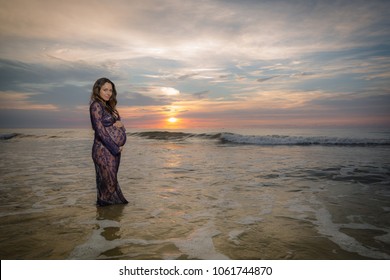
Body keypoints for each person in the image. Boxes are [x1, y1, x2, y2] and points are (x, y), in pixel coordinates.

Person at [90, 77, 128, 206]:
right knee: (109, 185)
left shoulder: (110, 107)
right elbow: (100, 131)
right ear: (98, 90)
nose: (108, 93)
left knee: (111, 183)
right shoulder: (96, 106)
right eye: (105, 90)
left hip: (114, 152)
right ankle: (103, 214)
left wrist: (120, 124)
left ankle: (105, 218)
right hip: (102, 150)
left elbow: (117, 127)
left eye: (110, 90)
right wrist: (115, 148)